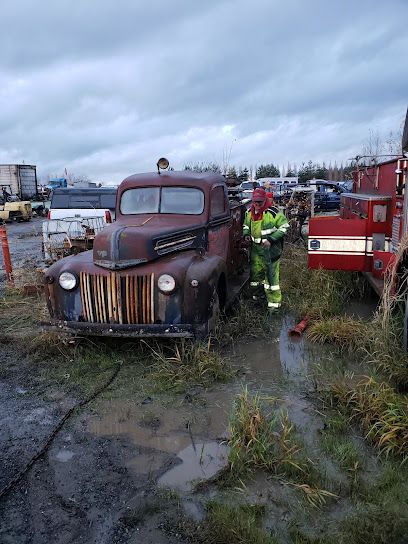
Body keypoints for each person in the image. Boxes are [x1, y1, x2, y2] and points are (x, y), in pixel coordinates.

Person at [243, 187, 289, 311]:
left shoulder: (273, 213)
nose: (257, 204)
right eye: (255, 202)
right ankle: (258, 298)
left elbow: (284, 227)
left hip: (271, 251)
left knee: (271, 278)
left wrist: (271, 239)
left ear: (265, 200)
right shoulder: (249, 213)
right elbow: (246, 225)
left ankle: (274, 306)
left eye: (260, 202)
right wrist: (246, 234)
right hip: (256, 250)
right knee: (256, 276)